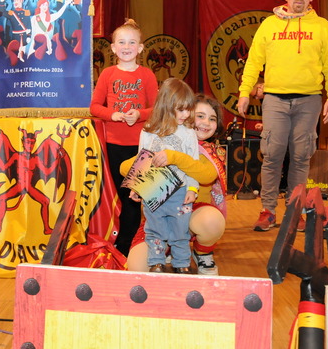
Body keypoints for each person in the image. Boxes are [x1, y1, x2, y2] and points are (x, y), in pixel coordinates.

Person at [237, 0, 328, 232]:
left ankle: (295, 212)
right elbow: (254, 61)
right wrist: (245, 92)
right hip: (275, 100)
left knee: (301, 158)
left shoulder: (323, 27)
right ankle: (268, 211)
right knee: (272, 156)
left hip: (309, 100)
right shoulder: (270, 25)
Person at [123, 94, 227, 275]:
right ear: (184, 115)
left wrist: (174, 157)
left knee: (212, 221)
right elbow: (124, 167)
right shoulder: (162, 140)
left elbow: (206, 175)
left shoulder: (212, 151)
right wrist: (151, 161)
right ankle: (166, 251)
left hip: (191, 215)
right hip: (159, 219)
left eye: (212, 119)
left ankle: (203, 254)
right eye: (200, 116)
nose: (206, 122)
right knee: (137, 268)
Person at [89, 19, 158, 256]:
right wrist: (114, 115)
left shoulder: (147, 75)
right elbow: (94, 107)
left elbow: (157, 109)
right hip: (113, 145)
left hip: (141, 147)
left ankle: (128, 246)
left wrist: (139, 114)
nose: (126, 47)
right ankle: (123, 243)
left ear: (140, 48)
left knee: (134, 198)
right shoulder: (107, 74)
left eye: (131, 42)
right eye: (121, 42)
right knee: (119, 196)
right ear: (113, 47)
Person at [133, 78, 199, 273]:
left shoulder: (188, 133)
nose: (186, 114)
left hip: (180, 192)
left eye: (188, 109)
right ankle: (156, 262)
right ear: (166, 106)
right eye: (181, 109)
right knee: (155, 230)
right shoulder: (149, 131)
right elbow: (142, 159)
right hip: (154, 190)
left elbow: (193, 164)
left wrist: (192, 188)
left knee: (181, 231)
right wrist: (138, 187)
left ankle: (181, 263)